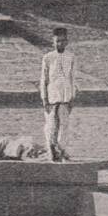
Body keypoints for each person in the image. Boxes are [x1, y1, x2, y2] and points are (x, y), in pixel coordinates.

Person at [40, 26, 76, 162]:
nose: (60, 44)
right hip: (51, 96)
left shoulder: (71, 57)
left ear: (66, 42)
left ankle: (61, 149)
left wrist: (72, 96)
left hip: (65, 96)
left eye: (62, 41)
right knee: (50, 125)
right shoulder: (48, 58)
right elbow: (44, 79)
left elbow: (73, 77)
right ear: (53, 42)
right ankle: (51, 150)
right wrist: (44, 97)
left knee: (64, 125)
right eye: (57, 41)